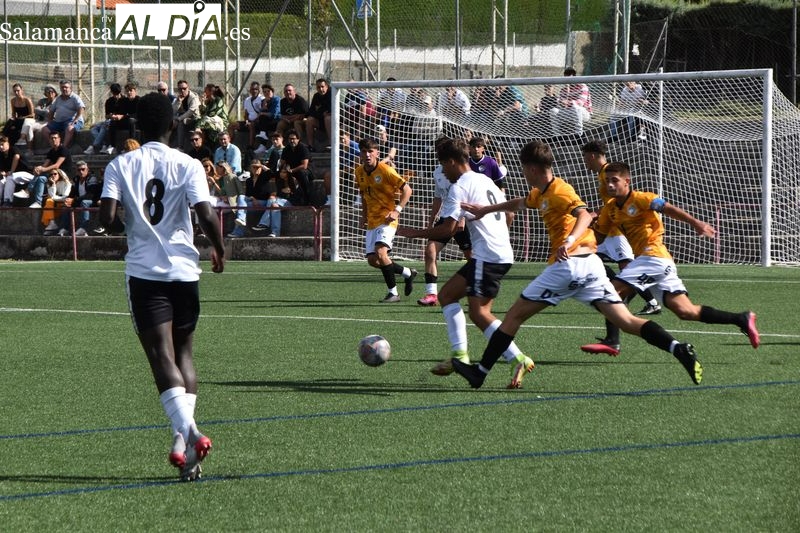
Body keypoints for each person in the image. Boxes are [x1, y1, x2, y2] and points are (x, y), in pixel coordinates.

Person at [451, 140, 703, 389]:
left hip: (568, 264)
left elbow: (582, 213)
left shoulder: (561, 190)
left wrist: (569, 240)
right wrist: (486, 210)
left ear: (532, 169)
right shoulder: (542, 192)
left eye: (523, 169)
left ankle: (480, 372)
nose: (523, 173)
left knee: (514, 315)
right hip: (591, 267)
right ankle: (678, 348)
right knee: (626, 321)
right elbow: (520, 203)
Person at [98, 91, 226, 482]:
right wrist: (219, 249)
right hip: (186, 272)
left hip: (145, 273)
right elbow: (205, 213)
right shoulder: (188, 163)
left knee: (160, 358)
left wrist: (130, 229)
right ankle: (184, 444)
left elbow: (106, 218)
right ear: (174, 125)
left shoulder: (120, 164)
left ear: (137, 126)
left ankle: (190, 431)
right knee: (184, 353)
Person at [581, 161, 760, 356]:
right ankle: (741, 319)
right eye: (607, 181)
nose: (610, 185)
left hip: (654, 257)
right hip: (650, 261)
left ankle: (613, 340)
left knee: (612, 291)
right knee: (685, 311)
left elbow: (667, 208)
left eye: (614, 180)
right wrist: (576, 242)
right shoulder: (610, 209)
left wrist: (695, 223)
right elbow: (597, 237)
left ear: (627, 181)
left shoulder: (642, 198)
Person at [398, 138, 535, 387]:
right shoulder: (484, 180)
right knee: (448, 296)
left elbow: (447, 230)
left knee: (480, 312)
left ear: (452, 162)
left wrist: (411, 233)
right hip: (497, 252)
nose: (442, 171)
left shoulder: (459, 186)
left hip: (489, 255)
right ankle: (459, 355)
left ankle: (518, 358)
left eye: (443, 165)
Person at [581, 140, 661, 316]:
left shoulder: (607, 174)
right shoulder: (603, 173)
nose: (585, 162)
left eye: (586, 158)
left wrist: (595, 214)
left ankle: (651, 302)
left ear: (593, 156)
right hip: (608, 227)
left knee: (627, 267)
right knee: (589, 256)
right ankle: (623, 295)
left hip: (615, 229)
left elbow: (615, 203)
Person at [355, 137, 417, 303]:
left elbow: (407, 190)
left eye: (370, 151)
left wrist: (397, 210)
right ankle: (407, 273)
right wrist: (364, 216)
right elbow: (364, 195)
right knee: (373, 260)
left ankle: (393, 293)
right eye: (364, 151)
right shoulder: (359, 171)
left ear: (377, 153)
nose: (367, 155)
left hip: (387, 218)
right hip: (372, 220)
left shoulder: (386, 171)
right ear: (360, 153)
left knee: (381, 253)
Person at [416, 137, 472, 307]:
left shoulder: (462, 173)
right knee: (430, 251)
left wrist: (462, 218)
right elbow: (438, 197)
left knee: (472, 259)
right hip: (446, 218)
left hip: (463, 218)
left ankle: (475, 291)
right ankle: (432, 294)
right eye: (438, 149)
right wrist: (432, 219)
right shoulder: (437, 172)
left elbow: (465, 196)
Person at [14, 131, 72, 208]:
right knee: (41, 177)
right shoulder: (51, 151)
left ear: (59, 139)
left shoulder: (63, 149)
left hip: (63, 175)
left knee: (42, 174)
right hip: (55, 174)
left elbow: (57, 165)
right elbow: (45, 165)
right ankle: (38, 202)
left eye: (55, 138)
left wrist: (43, 169)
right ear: (49, 140)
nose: (54, 140)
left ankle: (28, 191)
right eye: (52, 138)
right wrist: (38, 169)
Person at [58, 160, 101, 236]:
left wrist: (74, 200)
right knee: (66, 204)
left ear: (87, 170)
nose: (81, 171)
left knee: (84, 202)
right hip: (79, 201)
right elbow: (72, 193)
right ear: (76, 171)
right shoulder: (76, 179)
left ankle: (83, 229)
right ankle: (64, 228)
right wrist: (68, 200)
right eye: (79, 170)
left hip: (93, 201)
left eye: (83, 169)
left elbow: (90, 195)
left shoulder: (92, 178)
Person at [251, 158, 291, 238]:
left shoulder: (293, 180)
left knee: (272, 202)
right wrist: (275, 194)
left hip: (291, 202)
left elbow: (290, 194)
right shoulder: (279, 180)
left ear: (288, 173)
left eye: (284, 172)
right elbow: (271, 174)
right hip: (280, 200)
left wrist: (261, 166)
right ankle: (274, 231)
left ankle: (265, 224)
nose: (281, 174)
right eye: (281, 172)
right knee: (272, 203)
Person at [41, 80, 85, 149]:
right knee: (44, 129)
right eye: (62, 87)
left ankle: (63, 148)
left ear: (70, 88)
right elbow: (51, 111)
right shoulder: (58, 99)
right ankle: (55, 147)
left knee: (70, 128)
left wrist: (75, 121)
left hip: (72, 120)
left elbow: (81, 108)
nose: (64, 89)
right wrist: (50, 122)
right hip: (58, 122)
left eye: (66, 87)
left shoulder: (75, 97)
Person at [85, 83, 124, 155]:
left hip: (119, 121)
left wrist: (117, 116)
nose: (116, 96)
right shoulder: (109, 101)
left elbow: (124, 114)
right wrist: (110, 115)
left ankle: (94, 146)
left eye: (117, 94)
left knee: (104, 126)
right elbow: (106, 116)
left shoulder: (124, 100)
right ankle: (104, 145)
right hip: (109, 120)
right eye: (114, 94)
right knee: (93, 128)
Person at [552, 67, 592, 136]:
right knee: (553, 110)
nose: (567, 80)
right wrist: (567, 92)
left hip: (584, 113)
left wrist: (568, 102)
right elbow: (559, 102)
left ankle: (579, 135)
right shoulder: (563, 90)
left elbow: (581, 103)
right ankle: (557, 137)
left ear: (574, 76)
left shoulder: (582, 86)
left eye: (569, 77)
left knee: (576, 108)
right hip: (569, 112)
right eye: (565, 78)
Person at [280, 129, 313, 206]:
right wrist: (285, 168)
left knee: (301, 173)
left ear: (298, 139)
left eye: (293, 139)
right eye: (290, 139)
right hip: (291, 170)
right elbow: (282, 162)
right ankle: (283, 197)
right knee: (280, 173)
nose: (291, 141)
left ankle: (307, 198)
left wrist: (292, 170)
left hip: (306, 170)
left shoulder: (303, 148)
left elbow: (304, 165)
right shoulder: (286, 149)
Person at [227, 81, 263, 150]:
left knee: (251, 125)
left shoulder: (261, 99)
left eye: (256, 89)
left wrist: (252, 121)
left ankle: (250, 146)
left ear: (259, 90)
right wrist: (246, 120)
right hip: (248, 121)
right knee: (231, 125)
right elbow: (246, 113)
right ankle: (229, 144)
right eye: (252, 89)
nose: (254, 91)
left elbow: (261, 114)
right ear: (250, 90)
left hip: (258, 122)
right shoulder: (247, 100)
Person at [106, 82, 140, 153]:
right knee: (113, 123)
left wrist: (123, 116)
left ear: (135, 91)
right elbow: (121, 113)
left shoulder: (139, 100)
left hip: (137, 122)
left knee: (131, 121)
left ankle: (131, 147)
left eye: (131, 91)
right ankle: (113, 147)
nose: (129, 93)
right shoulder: (124, 101)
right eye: (127, 91)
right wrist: (115, 116)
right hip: (126, 121)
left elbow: (137, 115)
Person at [0, 135, 33, 205]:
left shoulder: (13, 149)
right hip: (14, 177)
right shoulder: (1, 155)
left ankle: (7, 201)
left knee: (10, 177)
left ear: (7, 143)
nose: (1, 147)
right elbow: (3, 171)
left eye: (2, 144)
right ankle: (3, 201)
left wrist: (11, 171)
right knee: (2, 181)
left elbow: (16, 157)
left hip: (27, 174)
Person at [300, 78, 332, 149]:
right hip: (321, 120)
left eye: (322, 87)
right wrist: (320, 113)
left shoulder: (332, 93)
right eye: (318, 87)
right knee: (309, 120)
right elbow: (311, 111)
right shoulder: (316, 96)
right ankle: (310, 145)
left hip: (334, 121)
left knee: (328, 118)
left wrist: (319, 111)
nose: (321, 89)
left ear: (326, 86)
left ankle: (331, 143)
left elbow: (330, 110)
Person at [40, 168, 72, 235]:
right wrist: (53, 184)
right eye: (51, 174)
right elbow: (52, 196)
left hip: (63, 204)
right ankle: (51, 222)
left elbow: (65, 197)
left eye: (55, 174)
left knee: (49, 200)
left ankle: (51, 226)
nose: (53, 175)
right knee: (49, 201)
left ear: (59, 174)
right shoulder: (50, 184)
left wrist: (54, 197)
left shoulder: (66, 183)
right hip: (54, 206)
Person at [172, 80, 201, 150]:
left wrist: (178, 119)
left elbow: (191, 111)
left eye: (184, 88)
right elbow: (173, 110)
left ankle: (180, 147)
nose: (182, 90)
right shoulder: (178, 98)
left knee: (181, 122)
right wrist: (179, 102)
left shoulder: (193, 97)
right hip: (183, 117)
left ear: (188, 88)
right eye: (180, 89)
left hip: (194, 119)